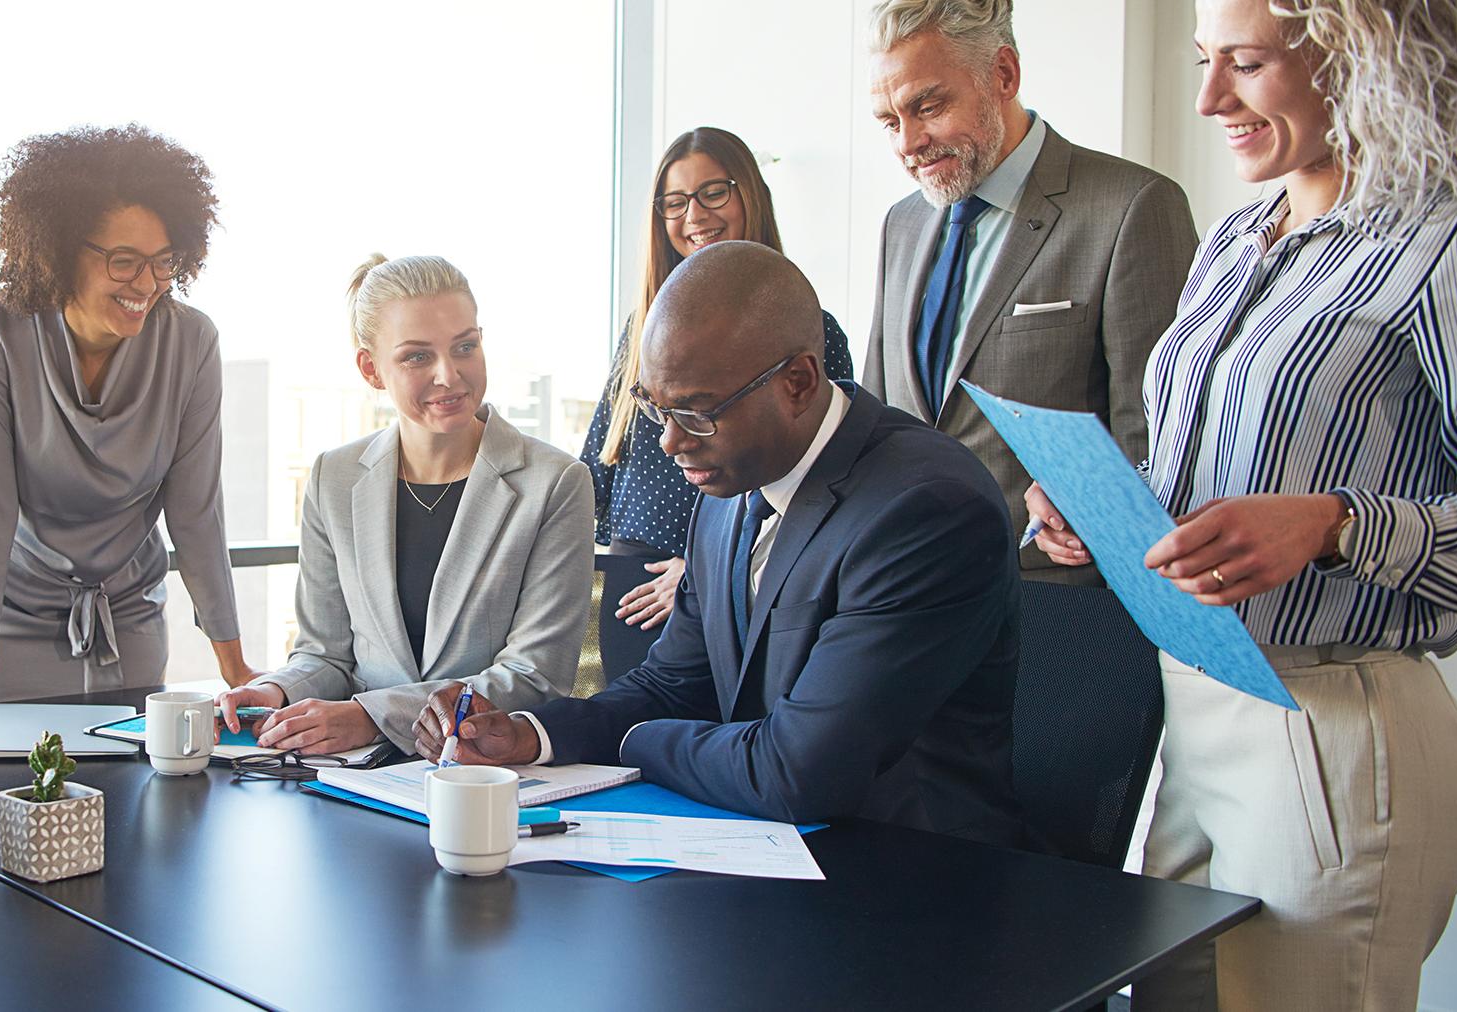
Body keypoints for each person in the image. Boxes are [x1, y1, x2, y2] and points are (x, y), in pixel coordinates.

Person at [1027, 0, 1457, 1005]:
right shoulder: (1237, 237)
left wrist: (1337, 524)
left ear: (1364, 61)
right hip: (1192, 706)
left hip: (1334, 732)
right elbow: (1212, 473)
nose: (1210, 99)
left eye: (1246, 64)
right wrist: (1105, 507)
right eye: (1204, 61)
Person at [415, 242, 1026, 845]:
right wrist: (532, 734)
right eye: (656, 409)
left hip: (908, 867)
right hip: (763, 845)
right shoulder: (727, 488)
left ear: (797, 383)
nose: (670, 442)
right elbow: (673, 685)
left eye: (697, 413)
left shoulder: (925, 510)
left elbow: (800, 770)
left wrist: (632, 742)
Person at [0, 125, 261, 717]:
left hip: (126, 611)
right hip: (6, 615)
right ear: (58, 252)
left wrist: (235, 668)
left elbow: (195, 513)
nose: (147, 284)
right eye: (123, 261)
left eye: (163, 261)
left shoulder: (191, 341)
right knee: (8, 771)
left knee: (129, 769)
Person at [860, 0, 1198, 584]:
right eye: (890, 122)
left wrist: (1096, 520)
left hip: (1056, 597)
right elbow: (879, 416)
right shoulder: (902, 223)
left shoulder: (1133, 207)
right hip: (909, 586)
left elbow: (1158, 439)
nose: (908, 143)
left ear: (1004, 74)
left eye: (928, 107)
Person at [216, 255, 593, 756]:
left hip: (481, 772)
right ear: (371, 369)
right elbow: (325, 654)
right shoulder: (334, 477)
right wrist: (275, 690)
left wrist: (372, 717)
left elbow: (535, 674)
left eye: (465, 347)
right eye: (417, 357)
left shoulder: (556, 482)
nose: (449, 375)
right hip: (351, 771)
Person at [582, 127, 854, 631]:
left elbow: (822, 484)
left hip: (738, 578)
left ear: (750, 195)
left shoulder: (809, 330)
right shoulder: (643, 330)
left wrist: (702, 566)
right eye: (675, 202)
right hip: (633, 583)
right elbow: (600, 459)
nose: (694, 215)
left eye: (713, 192)